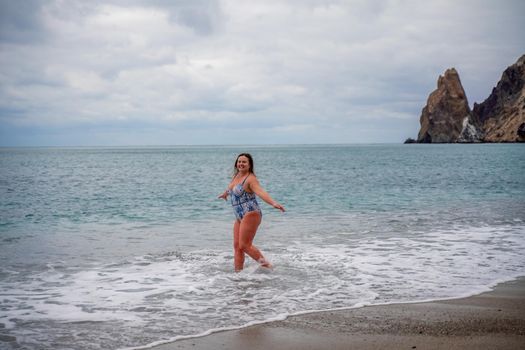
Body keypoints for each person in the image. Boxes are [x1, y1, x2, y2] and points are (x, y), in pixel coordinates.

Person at [218, 153, 285, 272]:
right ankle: (238, 275)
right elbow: (232, 188)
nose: (241, 164)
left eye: (244, 162)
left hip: (251, 213)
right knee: (237, 246)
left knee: (244, 245)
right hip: (239, 216)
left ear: (249, 165)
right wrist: (225, 193)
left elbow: (261, 192)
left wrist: (273, 203)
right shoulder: (237, 175)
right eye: (239, 161)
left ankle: (268, 267)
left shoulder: (250, 179)